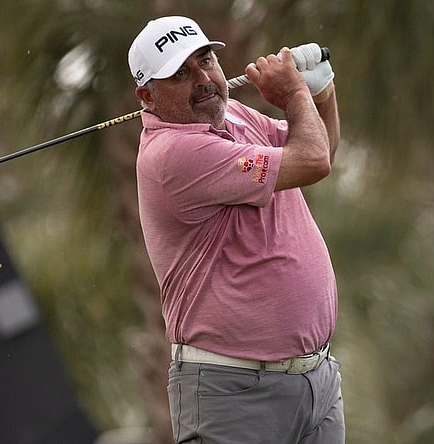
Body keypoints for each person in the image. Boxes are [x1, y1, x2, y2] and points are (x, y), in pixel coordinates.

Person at [128, 16, 344, 443]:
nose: (204, 79)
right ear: (146, 95)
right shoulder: (173, 155)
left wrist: (322, 91)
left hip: (316, 381)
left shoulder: (235, 116)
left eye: (205, 60)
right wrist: (296, 92)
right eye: (181, 74)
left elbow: (321, 146)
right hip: (233, 392)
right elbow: (312, 159)